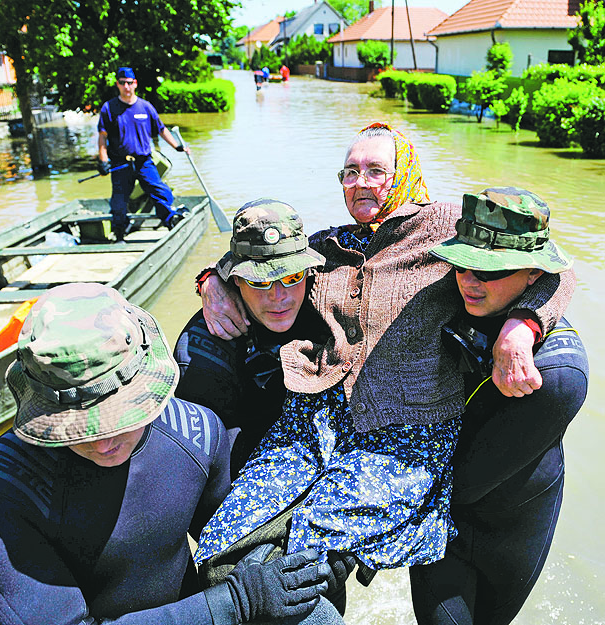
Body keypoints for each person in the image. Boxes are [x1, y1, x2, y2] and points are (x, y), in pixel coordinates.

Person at [193, 123, 574, 579]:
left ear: (405, 172)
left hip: (407, 431)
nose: (361, 182)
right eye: (350, 172)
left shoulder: (449, 229)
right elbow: (261, 259)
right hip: (313, 419)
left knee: (308, 544)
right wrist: (211, 280)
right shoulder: (328, 245)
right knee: (223, 537)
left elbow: (554, 270)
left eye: (376, 170)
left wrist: (522, 326)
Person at [0, 282, 341, 625]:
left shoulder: (198, 434)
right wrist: (230, 605)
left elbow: (244, 542)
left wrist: (315, 555)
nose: (103, 442)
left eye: (121, 418)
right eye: (78, 428)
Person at [409, 188, 589, 625]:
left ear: (532, 274)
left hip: (509, 525)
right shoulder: (458, 295)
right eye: (462, 263)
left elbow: (464, 484)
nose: (470, 280)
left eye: (490, 270)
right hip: (441, 522)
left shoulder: (557, 374)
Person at [174, 198, 328, 478]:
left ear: (309, 272)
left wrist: (207, 275)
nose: (278, 296)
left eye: (292, 277)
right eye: (259, 282)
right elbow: (211, 465)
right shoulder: (203, 353)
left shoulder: (327, 301)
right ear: (235, 279)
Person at [97, 67, 189, 241]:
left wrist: (177, 146)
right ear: (117, 84)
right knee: (119, 199)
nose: (126, 86)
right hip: (120, 163)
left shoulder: (145, 107)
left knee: (161, 191)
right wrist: (102, 161)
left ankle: (170, 220)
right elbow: (102, 138)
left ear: (135, 84)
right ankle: (119, 233)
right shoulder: (109, 108)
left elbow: (161, 130)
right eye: (122, 83)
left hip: (144, 161)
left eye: (129, 83)